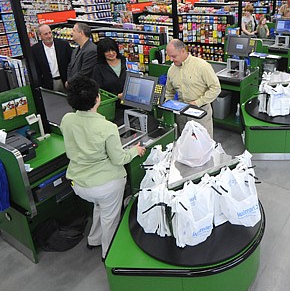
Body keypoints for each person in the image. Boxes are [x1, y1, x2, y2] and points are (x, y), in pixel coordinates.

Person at [60, 76, 146, 260]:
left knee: (99, 206)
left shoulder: (67, 119)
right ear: (97, 98)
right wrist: (135, 150)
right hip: (105, 186)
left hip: (79, 184)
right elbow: (119, 159)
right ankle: (108, 253)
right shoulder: (107, 127)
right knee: (110, 218)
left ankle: (94, 239)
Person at [164, 39, 221, 138]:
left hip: (200, 112)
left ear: (183, 51)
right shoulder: (171, 70)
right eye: (169, 56)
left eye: (174, 56)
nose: (171, 59)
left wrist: (197, 102)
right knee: (185, 143)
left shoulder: (202, 66)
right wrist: (169, 104)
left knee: (202, 144)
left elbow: (215, 88)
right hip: (181, 113)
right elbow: (169, 92)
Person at [31, 24, 73, 93]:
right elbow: (37, 70)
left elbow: (71, 62)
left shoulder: (63, 45)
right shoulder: (35, 50)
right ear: (40, 36)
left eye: (50, 32)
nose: (49, 36)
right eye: (45, 34)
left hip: (65, 81)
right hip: (49, 84)